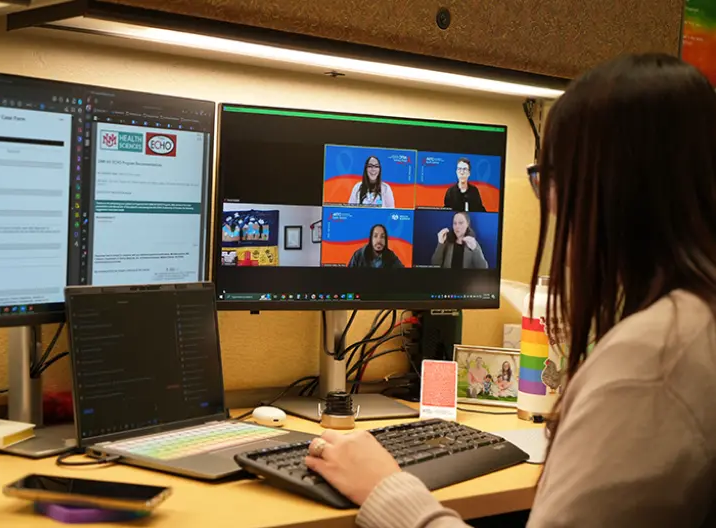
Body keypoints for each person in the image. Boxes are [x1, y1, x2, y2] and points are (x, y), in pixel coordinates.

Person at [303, 54, 716, 527]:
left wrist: (386, 489)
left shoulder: (652, 363)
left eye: (550, 180)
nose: (552, 207)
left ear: (609, 188)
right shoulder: (695, 325)